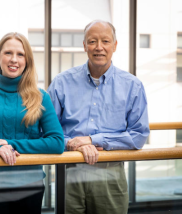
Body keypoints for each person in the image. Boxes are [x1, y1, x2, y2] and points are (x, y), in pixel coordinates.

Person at [47, 20, 150, 214]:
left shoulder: (132, 86)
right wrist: (73, 143)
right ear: (84, 45)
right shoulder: (62, 82)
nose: (99, 47)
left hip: (110, 175)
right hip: (69, 173)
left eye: (105, 41)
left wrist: (93, 140)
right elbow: (48, 130)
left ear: (115, 45)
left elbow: (139, 135)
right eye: (92, 41)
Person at [0, 32, 64, 214]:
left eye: (20, 54)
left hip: (30, 186)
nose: (14, 59)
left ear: (27, 60)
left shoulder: (40, 96)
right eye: (8, 53)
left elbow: (57, 142)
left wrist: (10, 144)